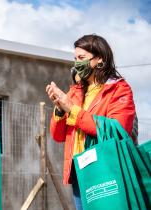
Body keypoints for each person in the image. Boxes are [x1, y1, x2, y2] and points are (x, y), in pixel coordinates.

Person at [46, 34, 136, 210]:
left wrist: (72, 109)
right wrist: (59, 108)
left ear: (100, 59)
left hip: (104, 170)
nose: (76, 63)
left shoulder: (118, 89)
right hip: (79, 172)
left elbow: (118, 130)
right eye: (75, 59)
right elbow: (57, 136)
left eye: (81, 58)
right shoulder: (75, 91)